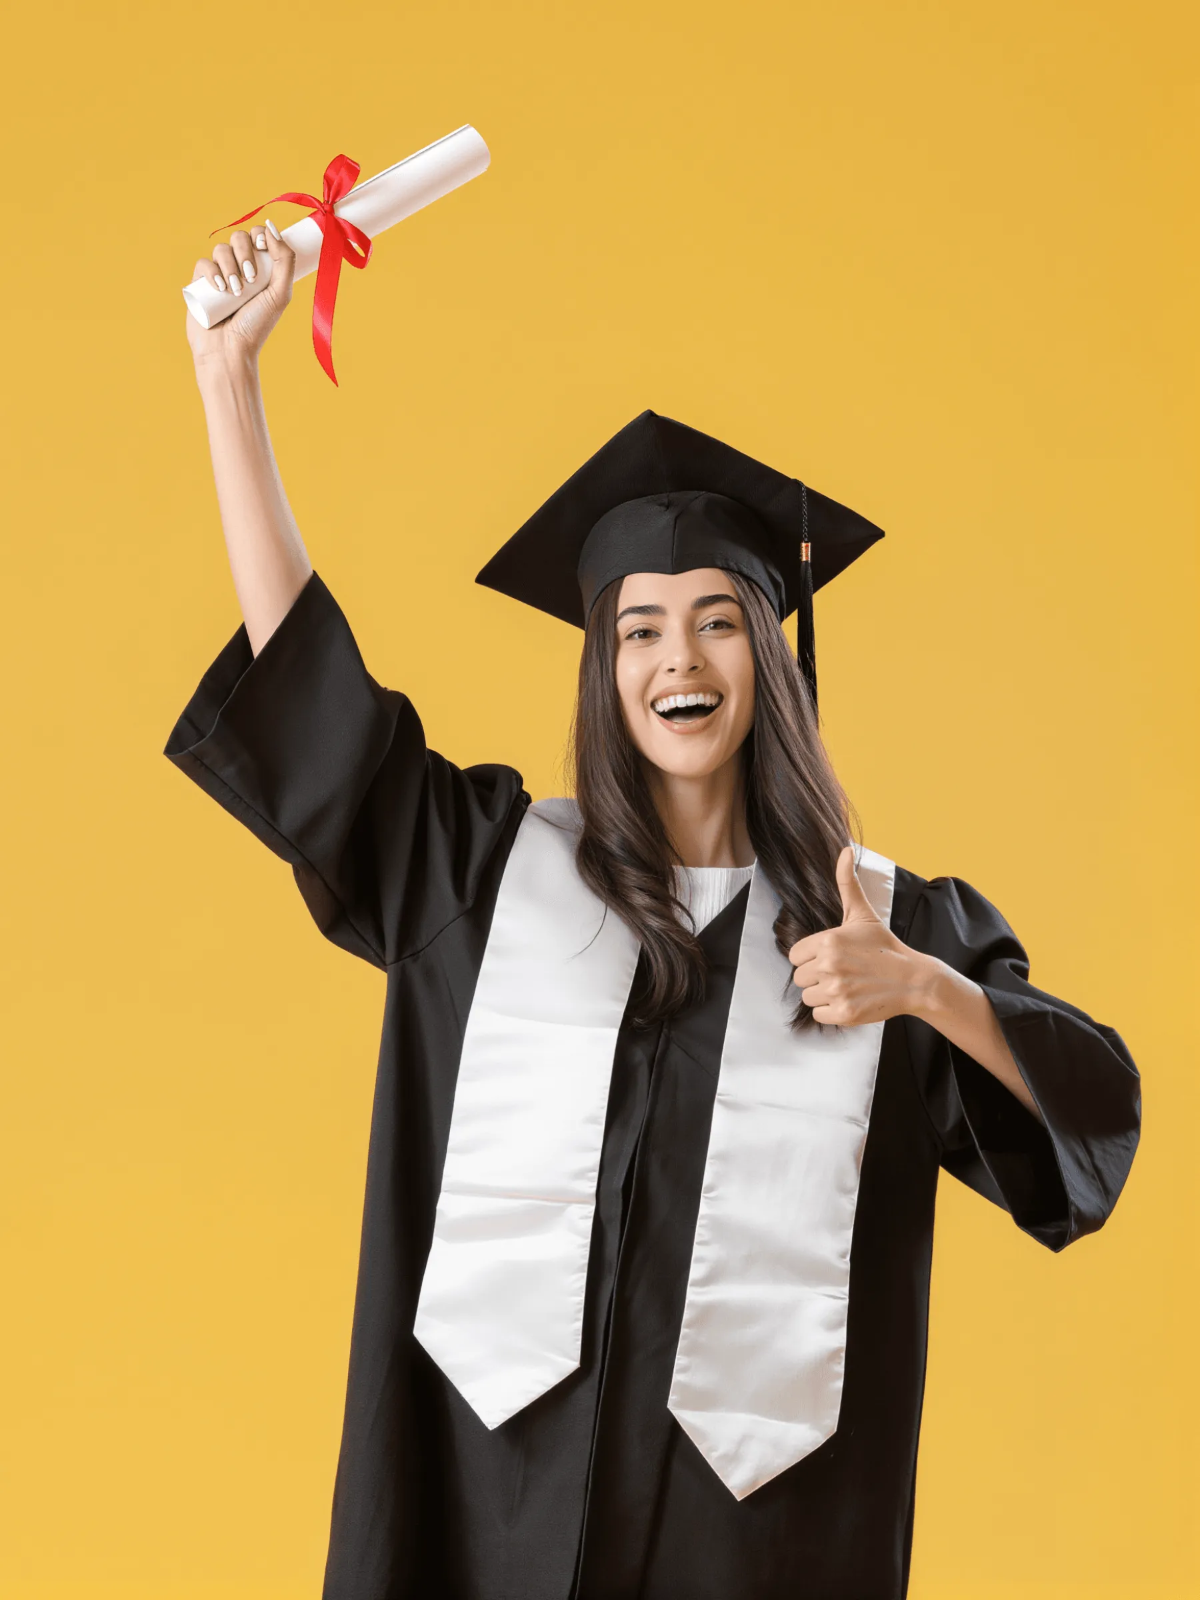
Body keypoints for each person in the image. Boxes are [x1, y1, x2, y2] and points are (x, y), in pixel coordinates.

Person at [168, 222, 1141, 1600]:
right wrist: (230, 387)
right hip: (479, 1529)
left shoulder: (882, 928)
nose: (675, 658)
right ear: (602, 667)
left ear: (771, 651)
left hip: (750, 1555)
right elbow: (324, 718)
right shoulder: (490, 878)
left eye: (716, 619)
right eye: (637, 628)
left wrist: (924, 987)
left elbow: (1090, 1116)